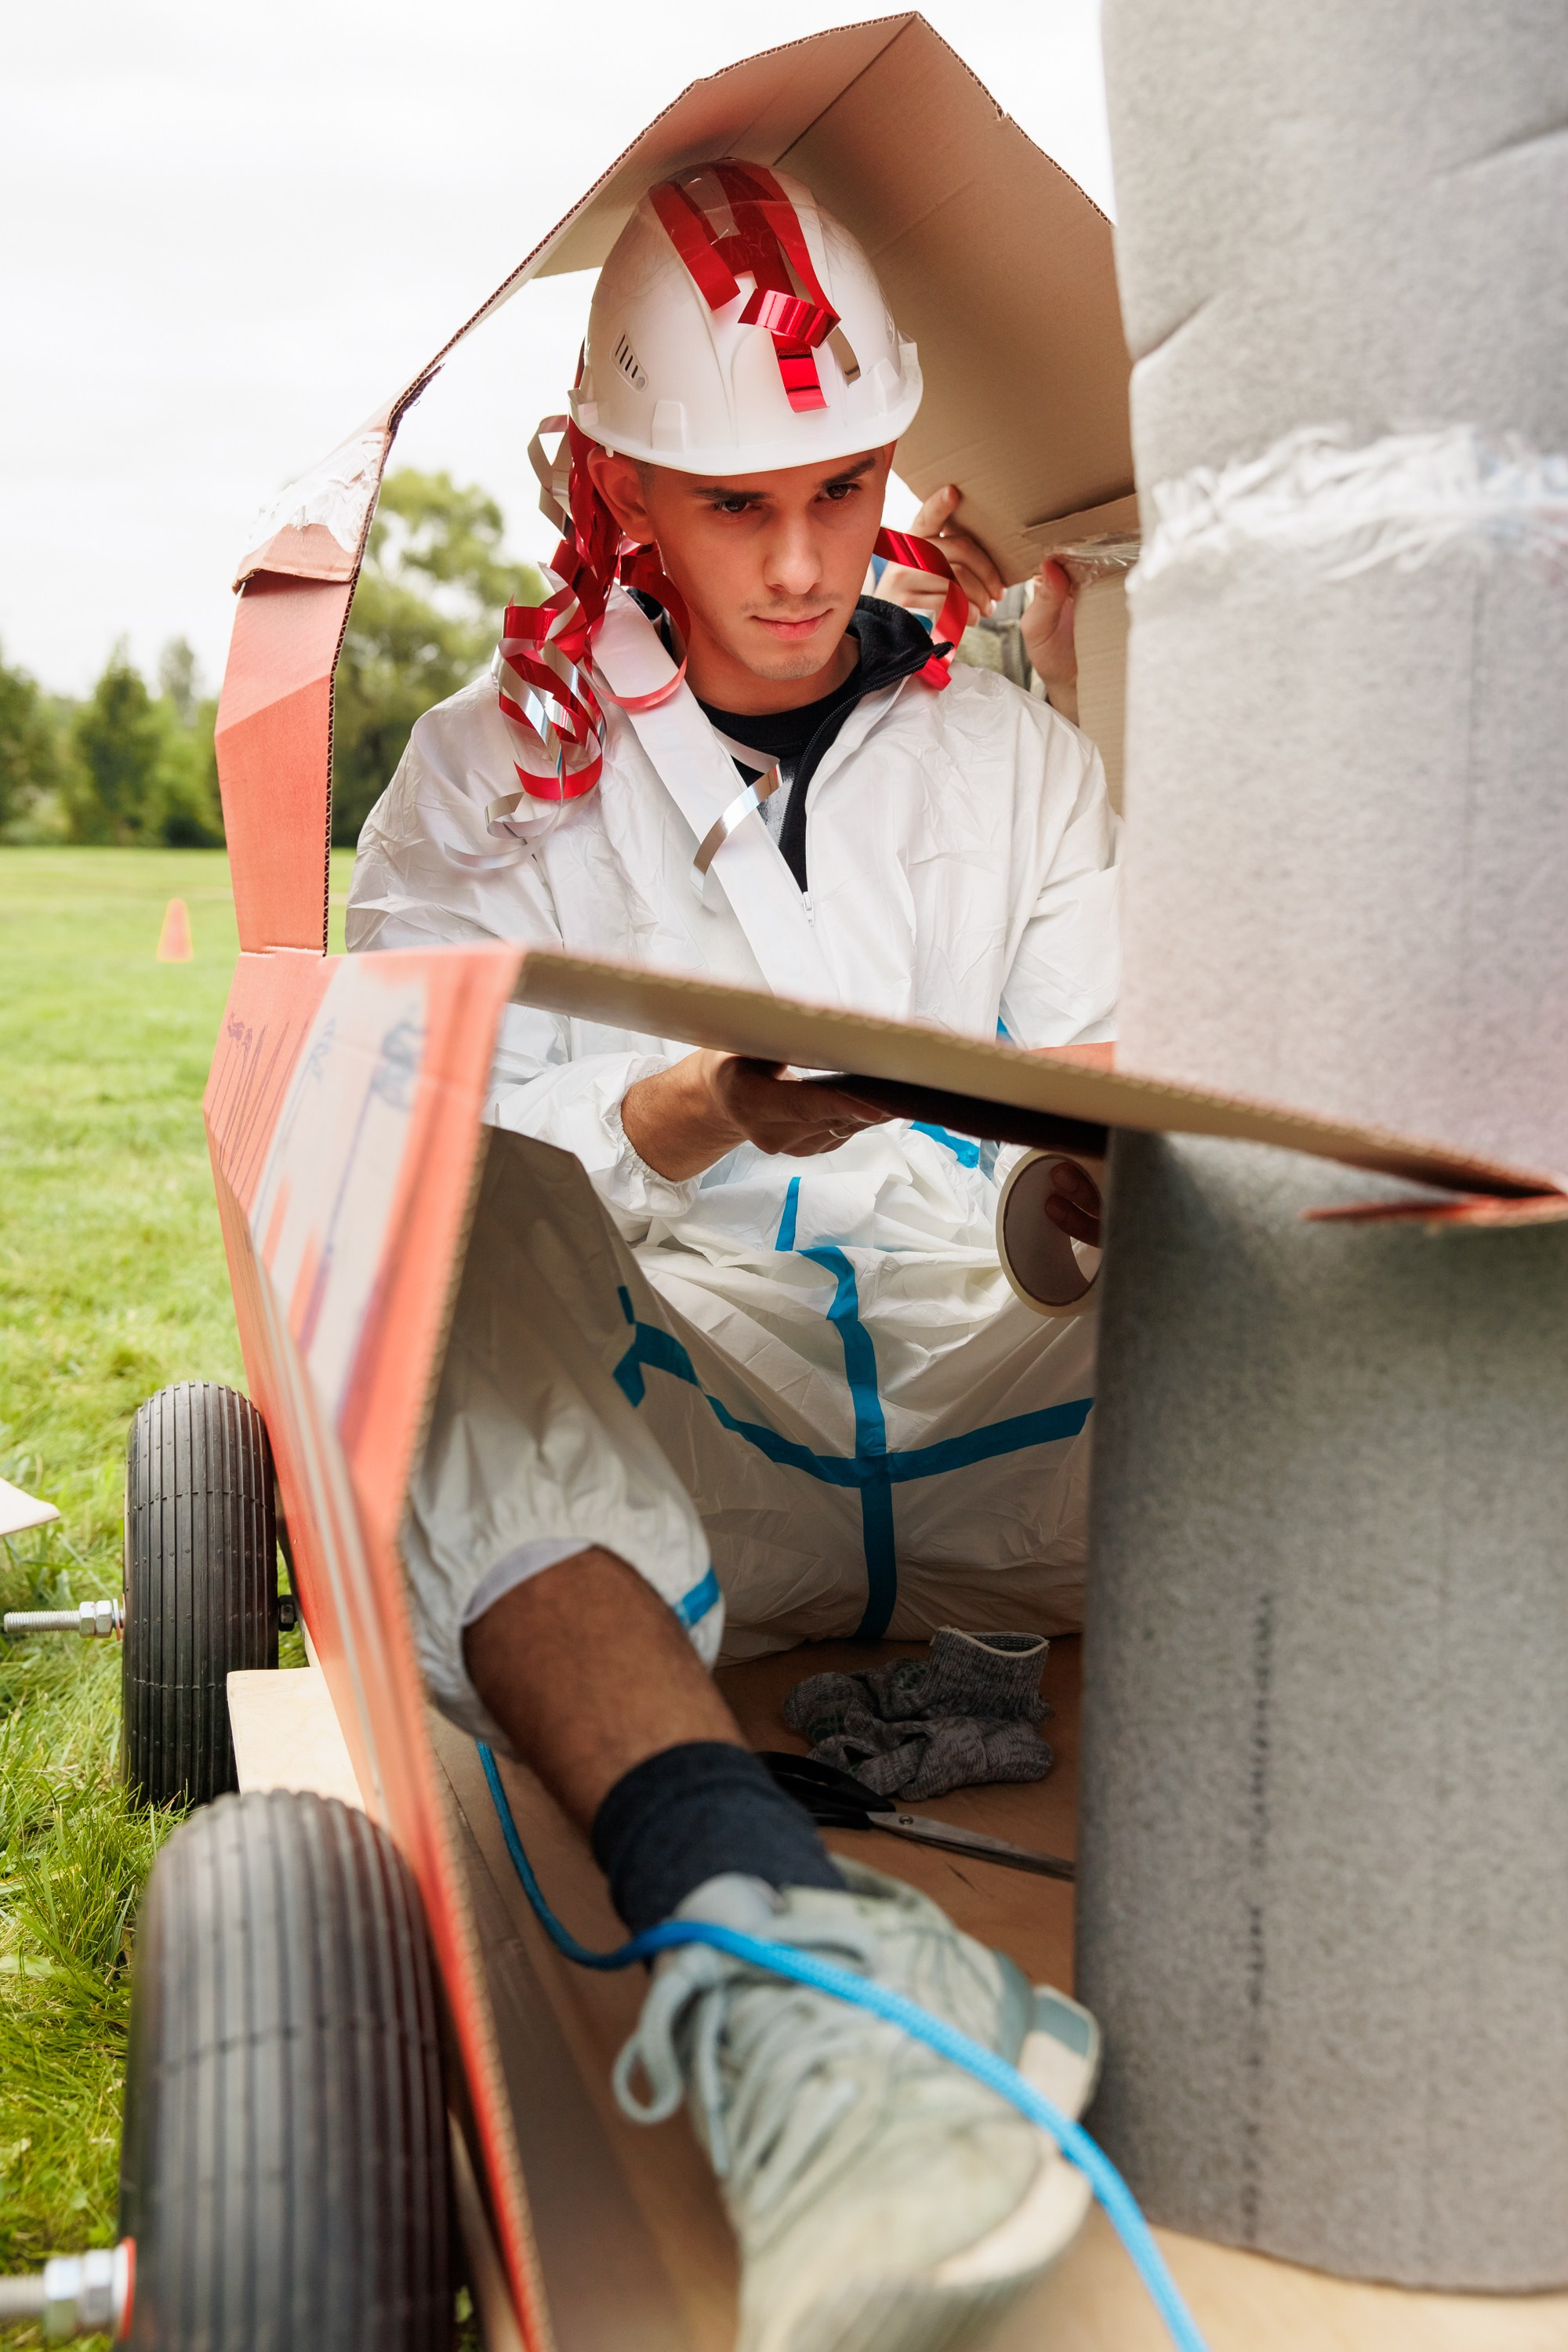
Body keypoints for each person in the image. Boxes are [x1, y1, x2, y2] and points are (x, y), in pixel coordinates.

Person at [348, 158, 1116, 2352]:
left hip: (1019, 1454)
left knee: (1300, 1223)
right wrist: (688, 1107)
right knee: (447, 1206)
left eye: (841, 486)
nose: (798, 563)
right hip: (690, 1479)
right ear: (614, 489)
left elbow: (1121, 1136)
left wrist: (1081, 1186)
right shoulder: (478, 787)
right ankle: (772, 1946)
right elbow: (435, 1176)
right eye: (727, 504)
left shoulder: (1022, 766)